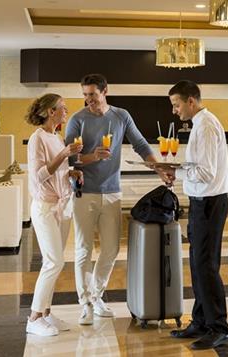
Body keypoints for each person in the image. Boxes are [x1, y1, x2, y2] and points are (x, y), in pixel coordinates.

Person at [64, 74, 157, 325]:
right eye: (85, 95)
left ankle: (96, 295)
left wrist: (158, 167)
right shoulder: (77, 119)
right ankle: (85, 303)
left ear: (105, 91)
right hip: (84, 192)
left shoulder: (121, 116)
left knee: (111, 249)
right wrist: (93, 157)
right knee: (83, 249)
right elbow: (68, 158)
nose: (89, 100)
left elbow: (140, 144)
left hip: (113, 191)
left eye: (93, 95)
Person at [162, 80, 228, 350]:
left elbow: (205, 173)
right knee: (197, 264)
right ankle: (201, 321)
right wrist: (176, 170)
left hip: (210, 203)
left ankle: (219, 327)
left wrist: (176, 172)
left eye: (176, 104)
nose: (174, 110)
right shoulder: (200, 124)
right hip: (201, 202)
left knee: (206, 266)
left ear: (191, 101)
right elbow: (199, 167)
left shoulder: (206, 126)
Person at [25, 93, 83, 336]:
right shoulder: (37, 138)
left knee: (55, 261)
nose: (66, 111)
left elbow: (57, 171)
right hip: (45, 207)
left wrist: (71, 173)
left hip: (61, 205)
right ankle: (34, 318)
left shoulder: (56, 137)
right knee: (53, 261)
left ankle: (46, 314)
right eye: (63, 108)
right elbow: (39, 175)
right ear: (51, 111)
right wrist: (64, 154)